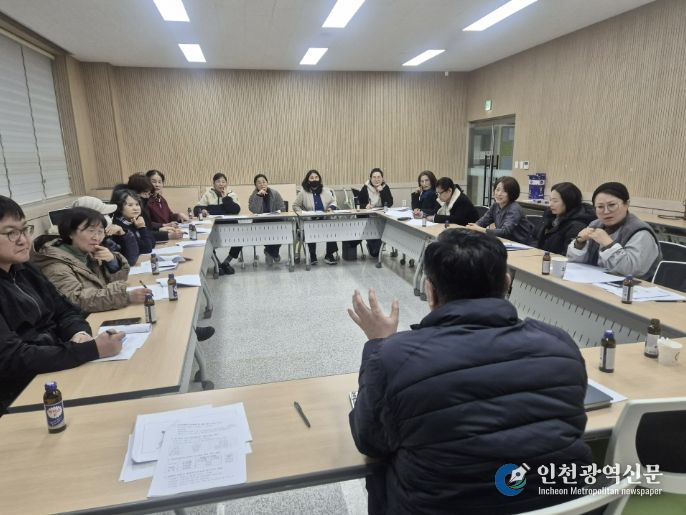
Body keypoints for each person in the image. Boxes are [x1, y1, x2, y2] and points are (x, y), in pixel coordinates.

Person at [347, 229, 592, 515]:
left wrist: (377, 344)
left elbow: (369, 441)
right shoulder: (559, 344)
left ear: (430, 290)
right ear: (507, 283)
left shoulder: (394, 358)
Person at [0, 196, 124, 412]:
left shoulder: (25, 270)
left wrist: (79, 333)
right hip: (20, 393)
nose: (23, 240)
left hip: (55, 366)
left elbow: (65, 310)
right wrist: (88, 350)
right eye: (11, 233)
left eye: (25, 230)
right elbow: (12, 358)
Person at [32, 207, 151, 314]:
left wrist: (112, 262)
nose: (96, 237)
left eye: (100, 231)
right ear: (70, 233)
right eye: (90, 231)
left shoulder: (89, 253)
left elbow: (115, 282)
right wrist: (126, 296)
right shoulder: (55, 266)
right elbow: (77, 300)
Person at [567, 181, 661, 279]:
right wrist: (579, 243)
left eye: (612, 205)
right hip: (593, 281)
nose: (606, 211)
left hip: (630, 286)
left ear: (626, 204)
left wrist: (609, 245)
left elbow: (631, 271)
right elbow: (575, 263)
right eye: (600, 207)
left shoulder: (641, 232)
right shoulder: (595, 225)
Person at [195, 172, 242, 275]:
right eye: (218, 181)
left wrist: (225, 198)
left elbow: (235, 210)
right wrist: (202, 210)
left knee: (241, 237)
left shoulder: (231, 194)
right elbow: (196, 209)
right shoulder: (208, 194)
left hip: (231, 225)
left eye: (223, 182)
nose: (221, 184)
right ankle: (218, 264)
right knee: (207, 241)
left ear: (226, 184)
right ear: (213, 184)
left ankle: (226, 262)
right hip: (213, 226)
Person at [466, 176, 534, 244]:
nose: (499, 194)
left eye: (504, 191)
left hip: (522, 245)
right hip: (505, 242)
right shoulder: (495, 206)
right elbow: (483, 222)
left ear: (511, 193)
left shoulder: (514, 209)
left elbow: (505, 232)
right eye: (497, 190)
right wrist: (473, 227)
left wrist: (480, 229)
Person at [293, 169, 339, 265]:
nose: (314, 179)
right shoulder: (303, 192)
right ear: (308, 180)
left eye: (316, 177)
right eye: (312, 178)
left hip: (325, 220)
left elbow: (333, 201)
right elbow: (295, 206)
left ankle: (329, 255)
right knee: (310, 228)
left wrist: (331, 208)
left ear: (319, 179)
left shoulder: (325, 191)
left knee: (332, 228)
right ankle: (312, 255)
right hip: (310, 221)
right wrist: (303, 214)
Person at [536, 182, 596, 255]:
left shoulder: (577, 225)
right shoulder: (549, 215)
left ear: (569, 202)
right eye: (550, 200)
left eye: (555, 201)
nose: (550, 204)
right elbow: (534, 237)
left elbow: (567, 254)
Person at [123, 174, 183, 242]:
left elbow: (147, 227)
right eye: (145, 193)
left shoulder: (158, 199)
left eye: (149, 194)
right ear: (134, 193)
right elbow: (142, 235)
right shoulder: (130, 212)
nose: (147, 197)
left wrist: (160, 228)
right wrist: (167, 234)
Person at [109, 189, 156, 265]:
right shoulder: (119, 226)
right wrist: (142, 228)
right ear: (119, 208)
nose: (135, 208)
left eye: (137, 204)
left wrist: (142, 227)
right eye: (130, 205)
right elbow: (147, 248)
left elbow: (152, 242)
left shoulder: (133, 221)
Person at [248, 173, 286, 265]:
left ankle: (269, 252)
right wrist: (258, 196)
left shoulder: (275, 193)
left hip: (275, 220)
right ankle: (274, 254)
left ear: (267, 183)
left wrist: (276, 213)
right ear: (255, 185)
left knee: (281, 230)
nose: (262, 184)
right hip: (260, 222)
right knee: (266, 234)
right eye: (259, 183)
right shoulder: (253, 196)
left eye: (264, 182)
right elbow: (254, 210)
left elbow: (282, 208)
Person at [356, 168, 393, 258]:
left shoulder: (385, 187)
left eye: (379, 177)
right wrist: (365, 206)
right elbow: (358, 203)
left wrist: (382, 191)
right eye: (374, 177)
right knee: (374, 253)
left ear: (382, 178)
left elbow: (390, 203)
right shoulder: (366, 187)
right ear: (370, 178)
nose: (376, 179)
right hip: (369, 218)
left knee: (375, 252)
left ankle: (377, 246)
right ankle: (371, 245)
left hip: (382, 217)